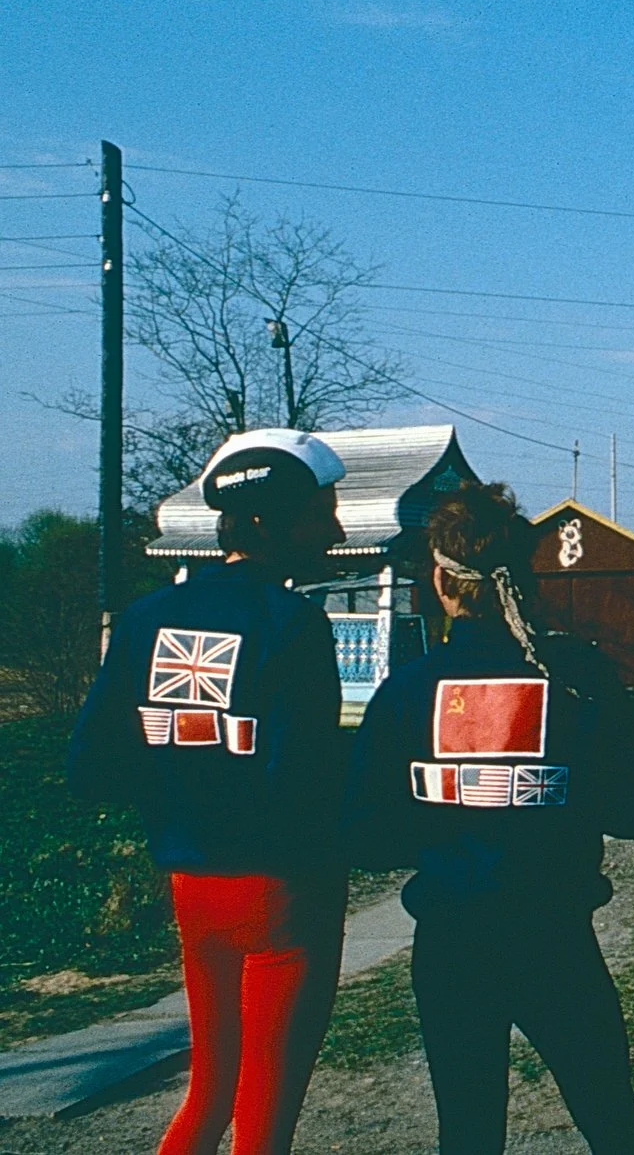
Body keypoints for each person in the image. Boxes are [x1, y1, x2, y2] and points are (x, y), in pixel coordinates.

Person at [342, 481, 634, 1155]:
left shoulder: (407, 692)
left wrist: (448, 815)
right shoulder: (577, 677)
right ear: (525, 575)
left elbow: (367, 836)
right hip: (557, 940)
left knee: (468, 1131)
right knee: (611, 1120)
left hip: (454, 944)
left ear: (439, 579)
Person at [68, 428, 352, 1155]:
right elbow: (306, 781)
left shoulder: (144, 618)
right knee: (264, 1118)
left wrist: (178, 786)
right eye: (323, 512)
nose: (338, 529)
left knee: (207, 1094)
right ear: (268, 525)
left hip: (192, 888)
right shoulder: (294, 624)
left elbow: (90, 767)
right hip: (284, 894)